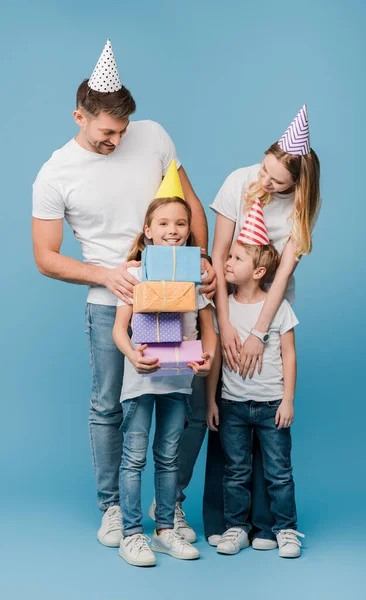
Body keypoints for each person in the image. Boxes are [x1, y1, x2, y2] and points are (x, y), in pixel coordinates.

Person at [31, 39, 215, 546]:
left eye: (123, 129)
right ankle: (114, 507)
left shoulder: (153, 136)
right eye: (107, 132)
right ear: (79, 116)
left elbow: (191, 204)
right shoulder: (54, 174)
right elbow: (45, 256)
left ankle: (168, 503)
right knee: (109, 406)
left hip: (180, 295)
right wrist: (105, 275)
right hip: (113, 303)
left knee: (191, 400)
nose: (118, 139)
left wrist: (206, 261)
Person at [203, 105, 321, 548]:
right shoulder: (240, 180)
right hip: (229, 302)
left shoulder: (302, 207)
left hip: (270, 308)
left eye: (277, 181)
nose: (266, 181)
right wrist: (226, 322)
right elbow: (218, 255)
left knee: (266, 408)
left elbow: (283, 272)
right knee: (230, 409)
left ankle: (269, 526)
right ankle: (225, 522)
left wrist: (258, 332)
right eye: (266, 170)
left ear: (297, 184)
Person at [113, 188, 217, 567]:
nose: (173, 230)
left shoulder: (195, 277)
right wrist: (131, 355)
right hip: (141, 383)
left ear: (190, 232)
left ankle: (164, 531)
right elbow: (119, 331)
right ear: (148, 230)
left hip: (177, 382)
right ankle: (130, 534)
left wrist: (205, 360)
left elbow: (209, 331)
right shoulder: (136, 273)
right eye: (164, 223)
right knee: (134, 458)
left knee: (169, 457)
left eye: (181, 224)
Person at [207, 202, 304, 557]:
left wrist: (288, 399)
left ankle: (285, 529)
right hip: (232, 405)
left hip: (270, 405)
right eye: (228, 256)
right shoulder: (225, 310)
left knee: (279, 472)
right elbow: (217, 354)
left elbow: (289, 354)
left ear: (260, 270)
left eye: (235, 258)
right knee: (235, 472)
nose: (227, 263)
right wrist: (211, 400)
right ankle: (236, 527)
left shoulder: (278, 308)